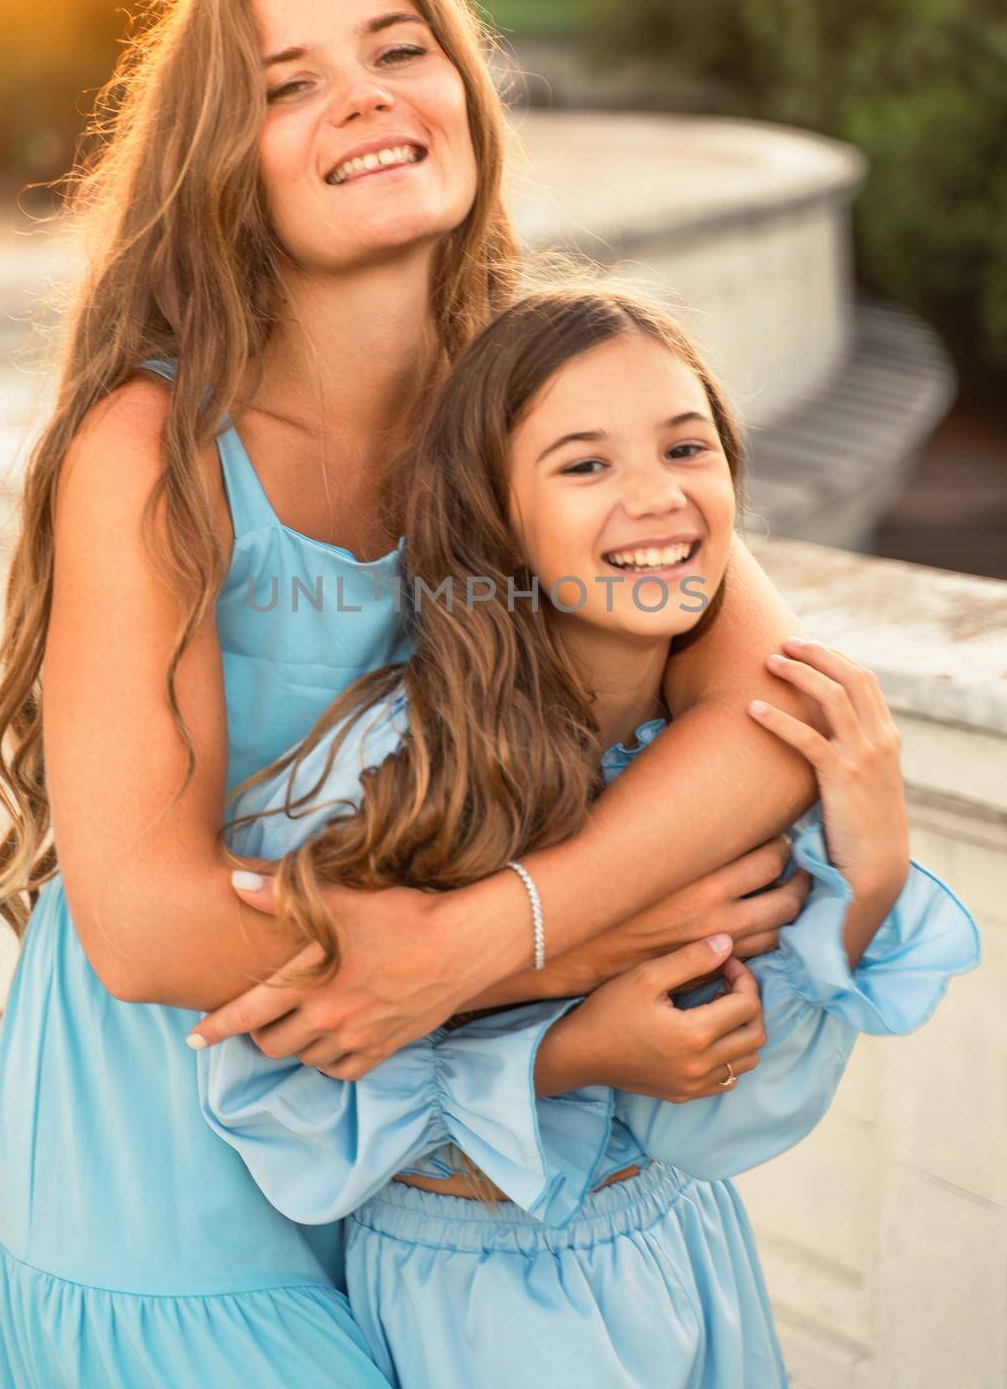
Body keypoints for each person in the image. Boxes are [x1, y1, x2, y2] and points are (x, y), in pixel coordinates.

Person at [0, 0, 835, 1387]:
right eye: (286, 85)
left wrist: (486, 942)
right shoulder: (155, 446)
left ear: (465, 91)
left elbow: (775, 709)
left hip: (436, 1162)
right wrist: (585, 940)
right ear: (220, 162)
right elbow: (146, 924)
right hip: (165, 1180)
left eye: (397, 49)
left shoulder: (539, 402)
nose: (360, 97)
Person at [198, 287, 980, 1388]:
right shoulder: (388, 770)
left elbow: (726, 1122)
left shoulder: (719, 781)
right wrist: (565, 1052)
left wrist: (872, 861)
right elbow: (273, 1101)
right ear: (492, 513)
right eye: (583, 465)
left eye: (685, 446)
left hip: (686, 1265)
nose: (656, 497)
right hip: (471, 1305)